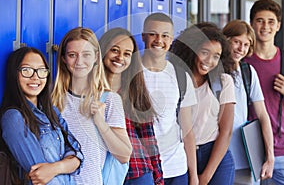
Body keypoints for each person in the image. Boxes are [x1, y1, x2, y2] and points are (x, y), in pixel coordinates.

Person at [52, 27, 132, 185]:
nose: (79, 62)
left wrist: (100, 122)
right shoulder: (53, 99)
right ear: (63, 59)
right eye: (72, 55)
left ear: (96, 57)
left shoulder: (109, 100)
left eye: (86, 55)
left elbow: (124, 155)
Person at [0, 47, 83, 185]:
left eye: (41, 70)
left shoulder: (53, 113)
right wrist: (65, 165)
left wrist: (55, 168)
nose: (35, 77)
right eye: (26, 70)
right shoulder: (14, 117)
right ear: (14, 74)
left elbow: (78, 156)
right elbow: (39, 176)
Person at [171, 22, 236, 185]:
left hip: (214, 156)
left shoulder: (223, 81)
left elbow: (226, 131)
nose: (210, 61)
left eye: (216, 56)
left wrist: (206, 176)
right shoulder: (174, 78)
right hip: (181, 154)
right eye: (205, 52)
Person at [244, 0, 284, 185]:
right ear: (252, 24)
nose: (265, 26)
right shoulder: (243, 62)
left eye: (270, 21)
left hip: (283, 148)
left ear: (278, 26)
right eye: (260, 20)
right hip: (247, 148)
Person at [99, 27, 164, 185]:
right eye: (114, 50)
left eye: (127, 54)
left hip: (136, 173)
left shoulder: (135, 91)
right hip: (102, 173)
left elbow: (149, 140)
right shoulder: (89, 91)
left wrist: (159, 179)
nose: (120, 57)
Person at [141, 12, 198, 185]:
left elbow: (187, 130)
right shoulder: (130, 70)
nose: (159, 40)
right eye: (153, 34)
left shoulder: (181, 76)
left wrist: (193, 174)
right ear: (144, 37)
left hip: (176, 168)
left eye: (165, 36)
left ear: (171, 39)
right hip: (143, 168)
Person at [223, 20, 274, 184]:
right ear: (226, 40)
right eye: (236, 42)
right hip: (217, 157)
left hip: (245, 157)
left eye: (246, 44)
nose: (240, 49)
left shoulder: (248, 72)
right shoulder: (211, 70)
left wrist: (270, 156)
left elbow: (263, 115)